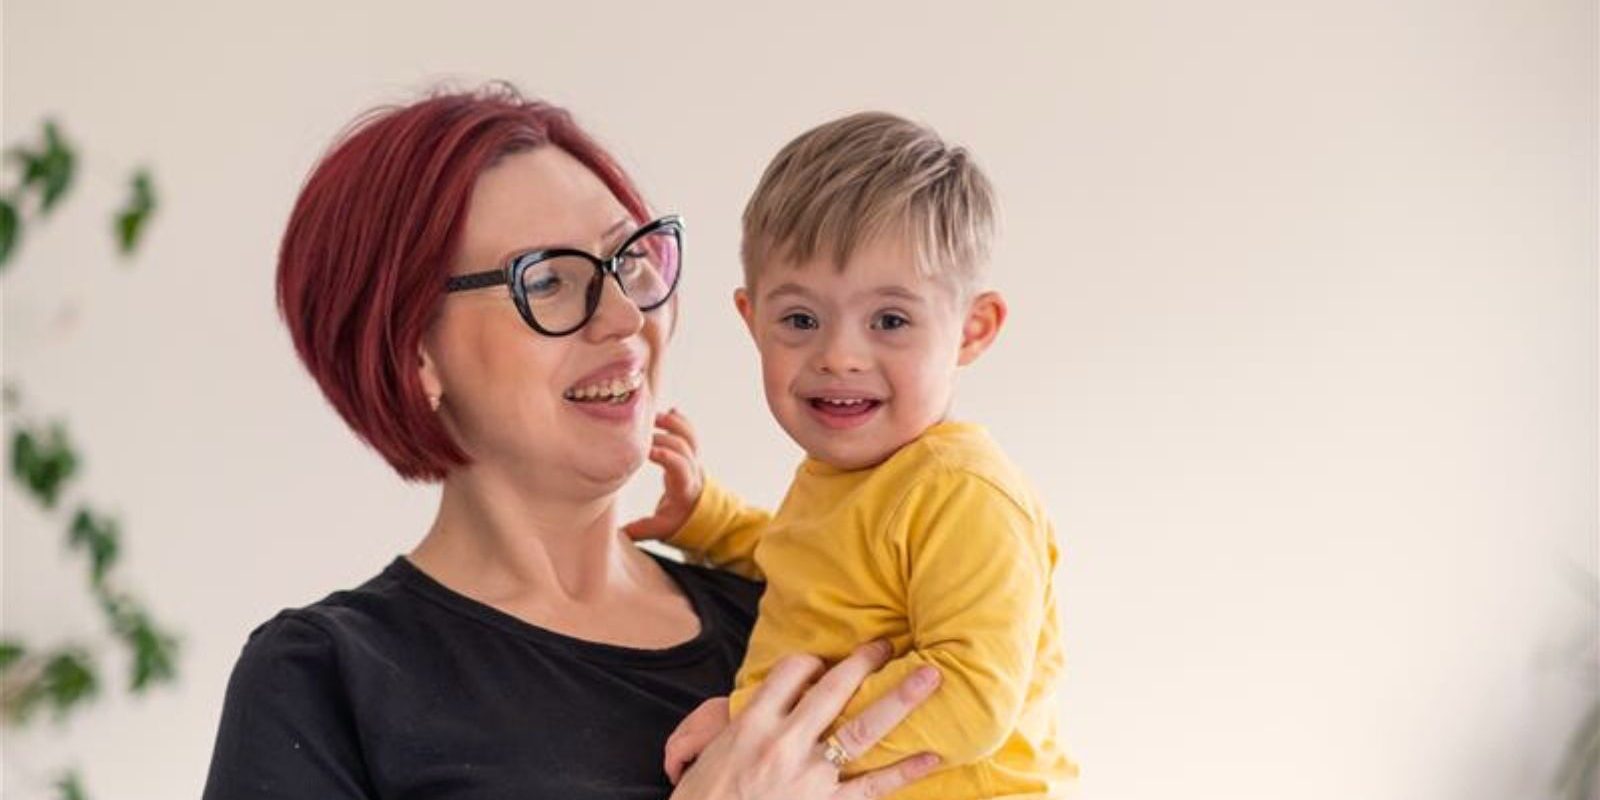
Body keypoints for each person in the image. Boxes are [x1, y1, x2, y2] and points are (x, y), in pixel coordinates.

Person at [201, 86, 946, 800]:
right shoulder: (325, 680)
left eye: (629, 260)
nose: (623, 315)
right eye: (550, 281)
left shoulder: (789, 614)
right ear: (414, 351)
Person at [629, 112, 1079, 798]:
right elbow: (816, 569)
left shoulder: (962, 491)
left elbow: (972, 691)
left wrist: (748, 725)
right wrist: (707, 520)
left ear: (971, 330)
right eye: (801, 320)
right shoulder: (844, 481)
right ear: (753, 322)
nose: (839, 357)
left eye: (890, 321)